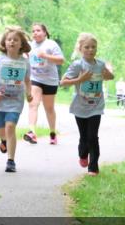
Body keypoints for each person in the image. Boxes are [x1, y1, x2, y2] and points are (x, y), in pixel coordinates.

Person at [61, 32, 114, 176]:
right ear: (80, 49)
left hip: (96, 106)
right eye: (87, 47)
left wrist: (108, 74)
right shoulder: (77, 65)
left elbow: (110, 76)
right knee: (84, 137)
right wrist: (80, 79)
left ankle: (93, 167)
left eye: (93, 47)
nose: (91, 50)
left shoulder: (100, 64)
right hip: (80, 105)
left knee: (93, 136)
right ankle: (83, 155)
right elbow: (63, 82)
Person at [0, 26, 33, 173]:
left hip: (15, 102)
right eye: (9, 39)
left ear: (21, 44)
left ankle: (11, 161)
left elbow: (27, 80)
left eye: (15, 40)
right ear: (4, 43)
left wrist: (29, 93)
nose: (12, 42)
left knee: (10, 127)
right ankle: (3, 141)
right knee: (1, 132)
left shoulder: (24, 62)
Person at [24, 23, 65, 145]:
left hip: (50, 80)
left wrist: (45, 56)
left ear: (45, 32)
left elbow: (61, 60)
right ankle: (32, 132)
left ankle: (52, 133)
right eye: (33, 31)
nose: (35, 33)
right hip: (35, 78)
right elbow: (26, 58)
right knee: (33, 104)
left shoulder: (51, 44)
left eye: (38, 30)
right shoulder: (30, 45)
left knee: (49, 108)